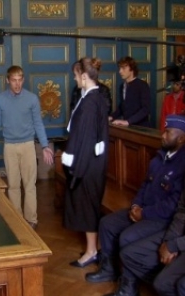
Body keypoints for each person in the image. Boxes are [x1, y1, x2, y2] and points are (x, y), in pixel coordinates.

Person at [85, 114, 185, 296]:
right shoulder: (159, 157)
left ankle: (129, 288)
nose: (163, 135)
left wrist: (144, 213)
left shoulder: (182, 164)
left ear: (181, 139)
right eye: (164, 131)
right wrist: (136, 205)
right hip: (143, 210)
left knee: (127, 237)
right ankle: (109, 269)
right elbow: (145, 185)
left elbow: (174, 205)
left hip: (161, 218)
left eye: (168, 132)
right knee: (107, 223)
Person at [0, 65, 54, 229]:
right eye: (14, 80)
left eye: (20, 80)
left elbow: (38, 124)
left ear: (23, 80)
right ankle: (17, 220)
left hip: (28, 145)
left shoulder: (32, 99)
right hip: (10, 147)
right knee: (13, 185)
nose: (17, 84)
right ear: (8, 81)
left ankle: (31, 220)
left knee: (29, 185)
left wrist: (44, 145)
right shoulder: (0, 99)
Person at [62, 57, 109, 268]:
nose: (74, 79)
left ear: (83, 75)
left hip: (87, 165)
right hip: (92, 162)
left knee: (88, 207)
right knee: (90, 206)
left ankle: (91, 251)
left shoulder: (89, 103)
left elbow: (84, 138)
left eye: (75, 75)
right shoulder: (96, 96)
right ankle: (92, 248)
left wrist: (74, 169)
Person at [109, 56, 151, 127]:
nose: (120, 71)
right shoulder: (122, 86)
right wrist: (111, 117)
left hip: (141, 127)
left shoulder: (142, 85)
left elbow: (146, 109)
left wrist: (128, 121)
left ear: (131, 69)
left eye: (123, 68)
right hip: (128, 127)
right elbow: (123, 106)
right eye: (120, 68)